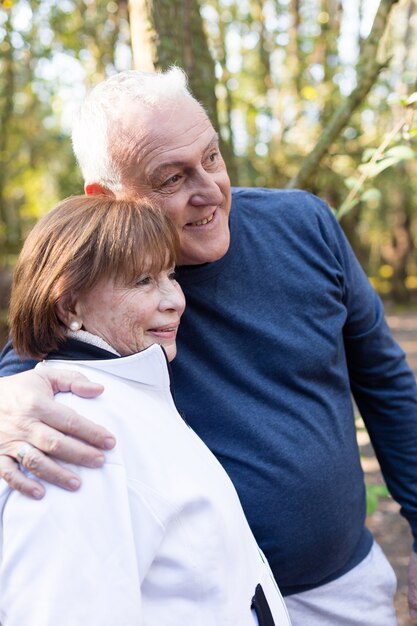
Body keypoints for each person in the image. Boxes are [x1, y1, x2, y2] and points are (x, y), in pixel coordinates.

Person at [0, 68, 416, 626]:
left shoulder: (305, 225)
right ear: (106, 197)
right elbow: (31, 374)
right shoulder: (99, 291)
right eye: (171, 179)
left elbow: (387, 383)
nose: (209, 190)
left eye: (212, 157)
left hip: (346, 588)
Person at [0, 194, 291, 626]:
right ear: (70, 306)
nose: (174, 299)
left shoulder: (130, 396)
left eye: (169, 275)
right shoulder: (74, 434)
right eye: (142, 281)